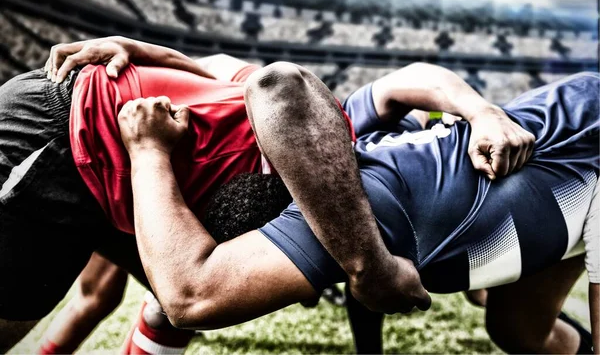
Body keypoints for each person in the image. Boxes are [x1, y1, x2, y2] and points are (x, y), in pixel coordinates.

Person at [115, 62, 598, 354]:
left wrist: (146, 152)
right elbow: (261, 80)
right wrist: (141, 52)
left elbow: (187, 296)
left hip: (578, 155)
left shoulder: (351, 202)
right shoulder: (333, 143)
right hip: (566, 147)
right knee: (516, 332)